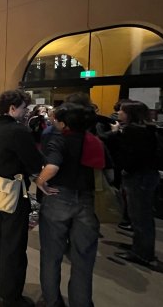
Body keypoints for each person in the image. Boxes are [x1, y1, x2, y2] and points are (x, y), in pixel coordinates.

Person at [36, 103, 102, 307]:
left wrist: (40, 181)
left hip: (58, 197)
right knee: (83, 258)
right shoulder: (94, 141)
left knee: (51, 255)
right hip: (87, 200)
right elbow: (106, 173)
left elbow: (53, 165)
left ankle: (52, 301)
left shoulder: (60, 140)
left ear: (65, 123)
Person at [0, 90, 43, 307]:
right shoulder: (18, 131)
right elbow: (34, 163)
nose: (26, 112)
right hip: (14, 192)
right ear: (12, 108)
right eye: (24, 108)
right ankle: (9, 295)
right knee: (13, 243)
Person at [110, 101, 160, 266]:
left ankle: (142, 253)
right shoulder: (149, 129)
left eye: (122, 111)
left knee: (139, 215)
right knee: (143, 215)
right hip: (148, 175)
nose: (119, 113)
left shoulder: (132, 131)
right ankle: (142, 248)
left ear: (130, 114)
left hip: (138, 177)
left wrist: (125, 169)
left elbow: (130, 155)